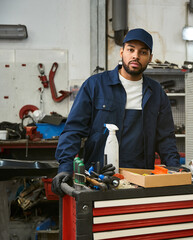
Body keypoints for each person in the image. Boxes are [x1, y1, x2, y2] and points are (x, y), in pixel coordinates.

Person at [52, 28, 180, 196]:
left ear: (149, 57)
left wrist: (174, 171)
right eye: (131, 49)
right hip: (99, 178)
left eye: (143, 52)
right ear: (122, 52)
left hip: (140, 180)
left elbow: (165, 139)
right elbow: (73, 130)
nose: (136, 56)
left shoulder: (156, 93)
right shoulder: (95, 85)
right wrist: (65, 167)